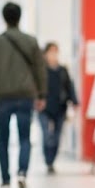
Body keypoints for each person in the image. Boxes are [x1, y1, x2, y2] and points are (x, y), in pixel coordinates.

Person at [0, 2, 47, 188]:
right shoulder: (31, 41)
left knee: (3, 139)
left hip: (3, 96)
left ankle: (5, 179)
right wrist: (42, 94)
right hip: (26, 96)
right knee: (25, 137)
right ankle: (23, 173)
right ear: (20, 17)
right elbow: (40, 71)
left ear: (4, 18)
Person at [40, 42, 79, 174]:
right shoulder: (41, 70)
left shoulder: (63, 70)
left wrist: (74, 101)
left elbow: (69, 86)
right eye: (50, 51)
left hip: (60, 107)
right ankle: (47, 159)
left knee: (56, 137)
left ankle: (51, 162)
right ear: (45, 54)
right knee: (47, 135)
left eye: (55, 51)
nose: (53, 54)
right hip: (44, 107)